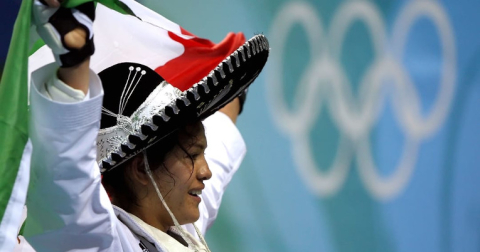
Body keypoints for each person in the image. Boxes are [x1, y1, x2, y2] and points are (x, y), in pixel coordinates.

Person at [23, 0, 269, 251]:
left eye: (202, 152)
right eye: (193, 155)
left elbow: (222, 135)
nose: (206, 171)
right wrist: (74, 61)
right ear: (141, 168)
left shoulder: (180, 221)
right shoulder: (104, 241)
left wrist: (233, 85)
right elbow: (68, 171)